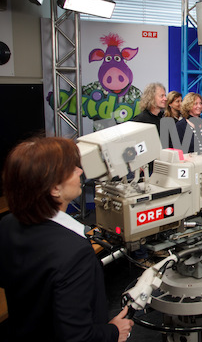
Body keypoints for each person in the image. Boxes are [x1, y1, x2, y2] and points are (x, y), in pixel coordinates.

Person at [0, 137, 134, 341]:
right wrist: (114, 332)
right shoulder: (74, 252)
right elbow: (77, 336)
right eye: (72, 169)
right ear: (54, 189)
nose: (80, 171)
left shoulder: (7, 224)